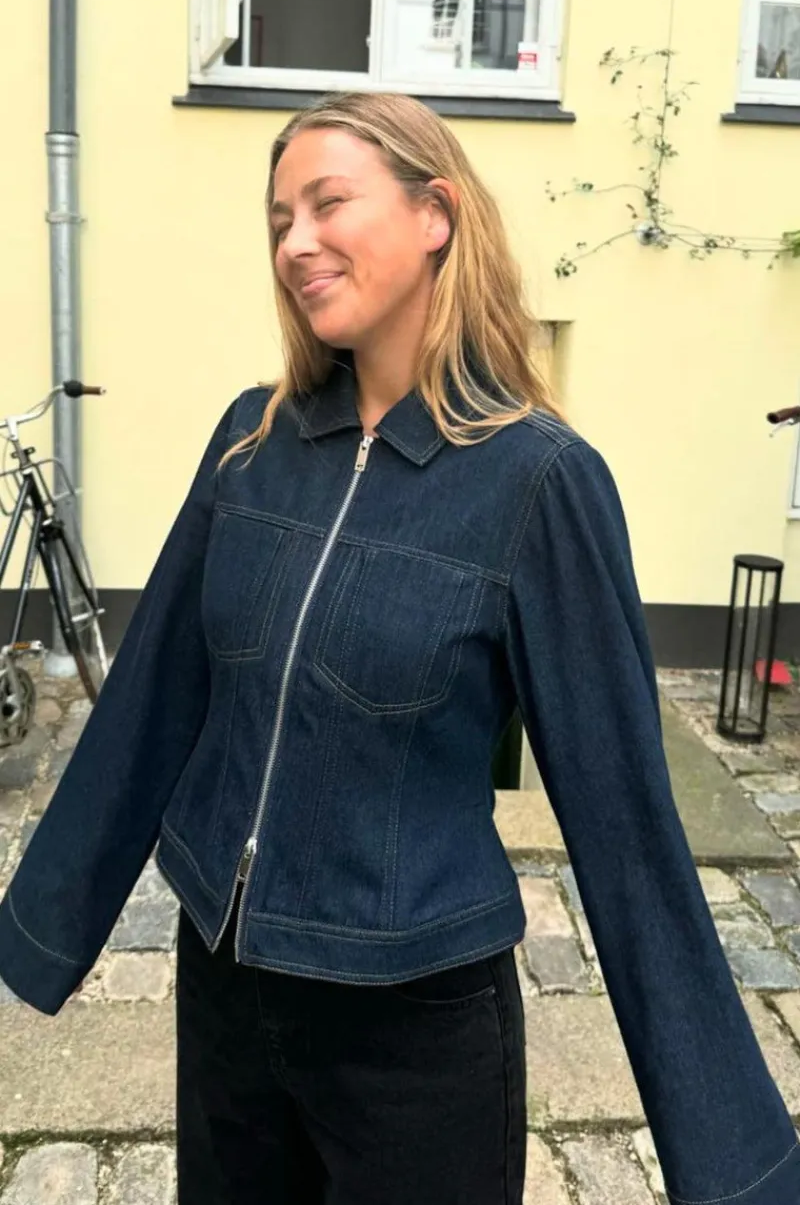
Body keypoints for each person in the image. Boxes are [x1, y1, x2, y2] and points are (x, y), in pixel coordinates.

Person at [0, 92, 798, 1205]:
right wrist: (40, 928)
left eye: (329, 203)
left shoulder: (537, 480)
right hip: (226, 984)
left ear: (436, 214)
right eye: (280, 218)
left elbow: (624, 818)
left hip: (412, 1027)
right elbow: (149, 700)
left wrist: (734, 1161)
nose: (296, 242)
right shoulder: (253, 440)